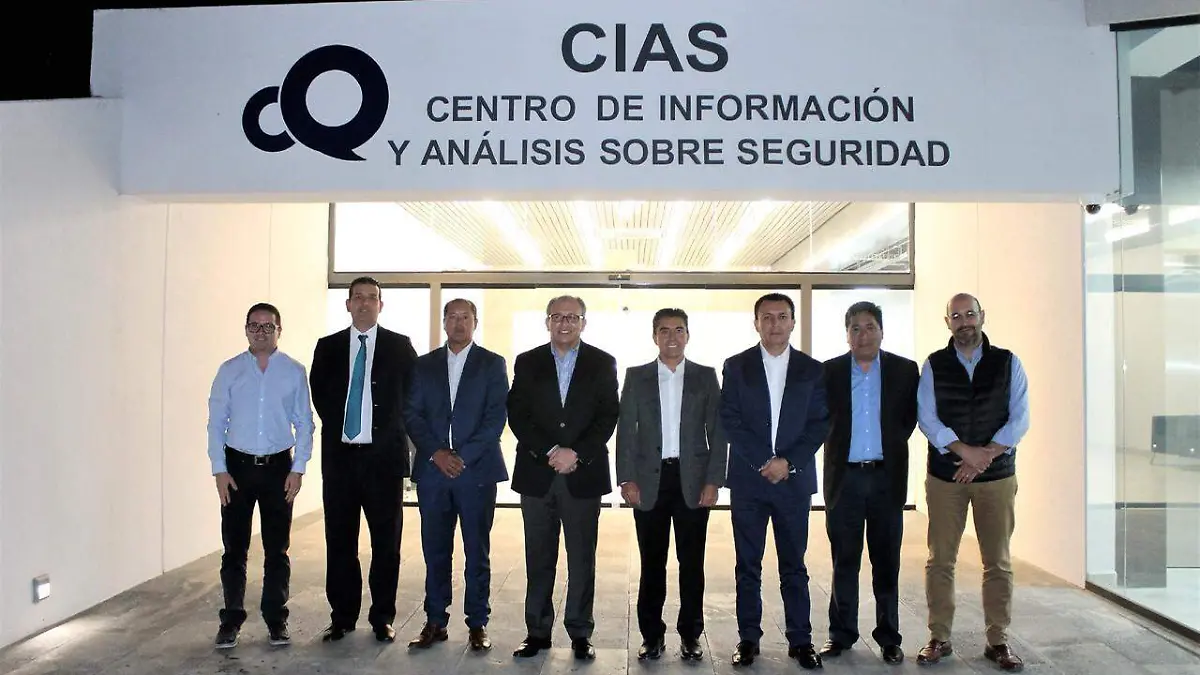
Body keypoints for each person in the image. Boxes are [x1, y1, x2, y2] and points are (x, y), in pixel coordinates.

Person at [915, 293, 1029, 672]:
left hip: (996, 478)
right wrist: (966, 452)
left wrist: (984, 457)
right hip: (946, 477)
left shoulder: (1008, 362)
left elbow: (1019, 419)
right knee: (940, 560)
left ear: (982, 316)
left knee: (997, 561)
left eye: (970, 314)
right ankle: (939, 637)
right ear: (947, 322)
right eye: (956, 316)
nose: (964, 322)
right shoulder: (934, 365)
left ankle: (998, 641)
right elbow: (928, 419)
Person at [719, 292, 829, 670]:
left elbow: (819, 423)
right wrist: (764, 461)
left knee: (794, 566)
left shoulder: (812, 370)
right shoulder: (736, 366)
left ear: (793, 322)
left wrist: (788, 462)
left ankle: (801, 640)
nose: (775, 324)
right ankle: (748, 639)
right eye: (767, 317)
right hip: (749, 483)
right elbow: (730, 419)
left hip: (793, 484)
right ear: (756, 323)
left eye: (782, 316)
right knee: (747, 565)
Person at [507, 295, 619, 661]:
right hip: (537, 473)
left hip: (582, 474)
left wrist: (577, 453)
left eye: (572, 317)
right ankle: (537, 631)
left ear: (584, 322)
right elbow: (518, 414)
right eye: (557, 316)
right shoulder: (527, 361)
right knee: (538, 556)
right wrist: (551, 450)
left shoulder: (602, 362)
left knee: (582, 558)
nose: (565, 323)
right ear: (547, 322)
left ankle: (580, 632)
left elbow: (608, 415)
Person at [309, 276, 418, 643]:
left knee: (386, 544)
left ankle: (382, 616)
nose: (365, 303)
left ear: (380, 305)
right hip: (340, 462)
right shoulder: (327, 347)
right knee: (340, 541)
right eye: (358, 297)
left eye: (372, 298)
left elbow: (412, 398)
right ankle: (342, 616)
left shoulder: (400, 347)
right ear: (348, 304)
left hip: (383, 462)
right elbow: (321, 397)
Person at [616, 307, 727, 662]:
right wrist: (626, 478)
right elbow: (626, 432)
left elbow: (718, 433)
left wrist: (714, 480)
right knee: (652, 563)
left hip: (693, 481)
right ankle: (651, 636)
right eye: (664, 330)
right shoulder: (637, 376)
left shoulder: (705, 376)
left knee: (691, 563)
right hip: (649, 480)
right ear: (655, 336)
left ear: (688, 335)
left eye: (679, 330)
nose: (672, 337)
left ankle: (691, 634)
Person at [403, 299, 509, 652]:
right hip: (433, 472)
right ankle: (435, 621)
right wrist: (436, 453)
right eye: (453, 317)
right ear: (444, 322)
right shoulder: (423, 365)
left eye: (466, 317)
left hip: (475, 472)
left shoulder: (492, 363)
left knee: (477, 552)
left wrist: (462, 457)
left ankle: (478, 623)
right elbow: (412, 414)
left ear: (475, 322)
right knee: (435, 550)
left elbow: (495, 418)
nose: (459, 323)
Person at [206, 302, 314, 649]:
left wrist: (298, 468)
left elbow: (305, 423)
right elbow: (215, 423)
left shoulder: (293, 371)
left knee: (277, 550)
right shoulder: (229, 371)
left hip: (278, 469)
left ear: (279, 330)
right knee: (234, 549)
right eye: (255, 325)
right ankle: (231, 620)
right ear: (246, 329)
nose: (261, 332)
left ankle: (275, 618)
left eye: (269, 326)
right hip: (236, 469)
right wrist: (219, 470)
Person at [819, 301, 919, 665]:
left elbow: (908, 419)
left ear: (882, 331)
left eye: (870, 326)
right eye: (855, 328)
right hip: (844, 479)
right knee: (844, 560)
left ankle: (889, 637)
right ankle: (841, 634)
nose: (863, 335)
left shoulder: (904, 371)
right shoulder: (829, 372)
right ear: (847, 334)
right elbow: (820, 419)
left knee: (886, 562)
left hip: (885, 479)